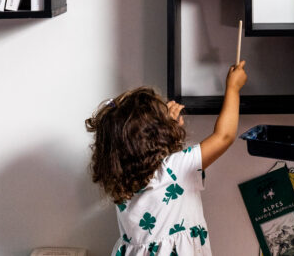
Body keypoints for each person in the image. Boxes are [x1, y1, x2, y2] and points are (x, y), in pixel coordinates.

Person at [85, 61, 247, 256]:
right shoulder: (177, 168)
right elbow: (225, 136)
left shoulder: (121, 180)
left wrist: (166, 128)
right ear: (158, 136)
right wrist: (233, 88)